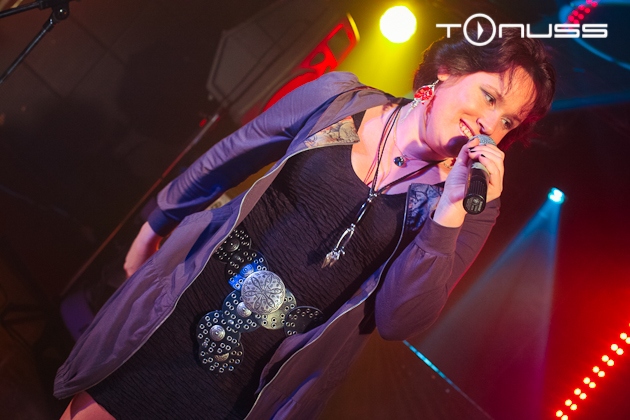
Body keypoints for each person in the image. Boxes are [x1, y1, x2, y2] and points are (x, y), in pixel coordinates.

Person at [55, 25, 555, 420]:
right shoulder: (339, 100)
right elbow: (231, 155)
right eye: (490, 97)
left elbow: (399, 320)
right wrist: (152, 227)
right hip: (177, 314)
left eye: (508, 121)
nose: (490, 124)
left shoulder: (471, 207)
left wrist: (447, 216)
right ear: (446, 72)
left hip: (250, 385)